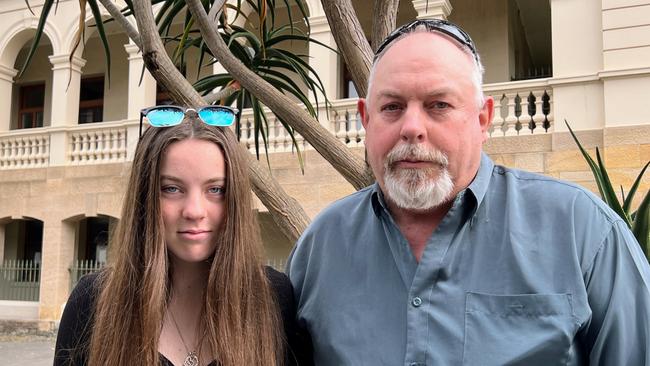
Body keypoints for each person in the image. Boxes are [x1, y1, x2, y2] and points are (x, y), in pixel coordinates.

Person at [286, 19, 650, 365]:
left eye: (438, 105)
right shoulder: (321, 248)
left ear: (482, 119)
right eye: (392, 107)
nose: (412, 128)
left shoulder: (582, 232)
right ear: (366, 119)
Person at [55, 105, 312, 365]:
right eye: (171, 188)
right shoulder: (92, 302)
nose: (194, 211)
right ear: (145, 197)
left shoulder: (274, 299)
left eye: (215, 189)